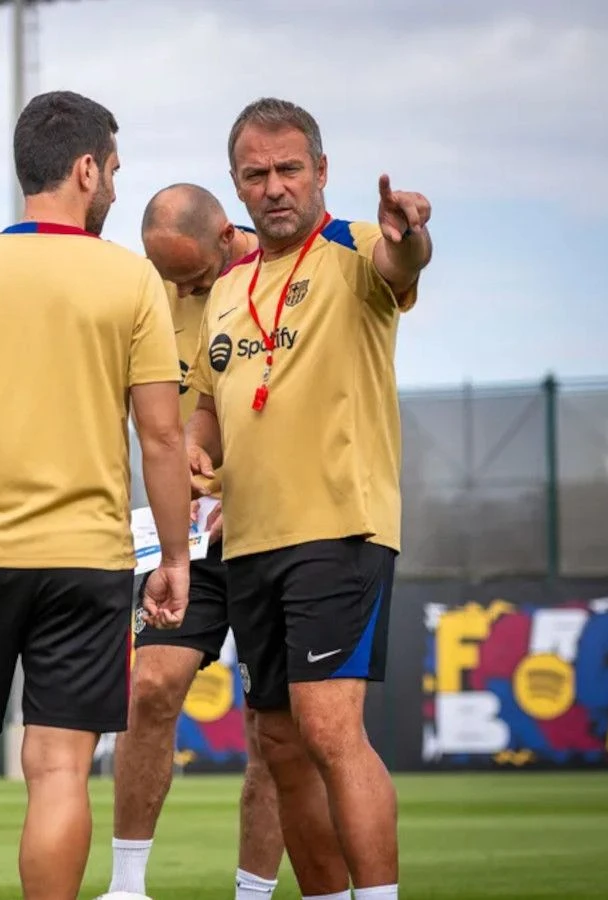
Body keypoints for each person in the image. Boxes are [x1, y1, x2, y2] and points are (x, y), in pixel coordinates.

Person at [0, 90, 195, 900]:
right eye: (115, 171)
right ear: (86, 169)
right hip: (87, 563)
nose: (117, 187)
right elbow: (162, 439)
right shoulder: (131, 281)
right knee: (59, 768)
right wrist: (173, 557)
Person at [185, 97, 432, 900]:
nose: (274, 187)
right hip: (248, 542)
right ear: (236, 185)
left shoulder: (357, 247)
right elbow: (209, 404)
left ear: (322, 171)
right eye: (255, 174)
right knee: (282, 745)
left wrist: (410, 234)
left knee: (329, 729)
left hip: (339, 529)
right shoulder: (228, 288)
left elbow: (404, 264)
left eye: (290, 168)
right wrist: (193, 449)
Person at [103, 183, 298, 900]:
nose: (181, 291)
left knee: (271, 726)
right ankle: (127, 886)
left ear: (226, 234)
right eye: (169, 276)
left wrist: (249, 484)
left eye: (191, 276)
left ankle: (253, 894)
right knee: (151, 686)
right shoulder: (148, 293)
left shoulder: (288, 281)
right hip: (184, 535)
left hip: (277, 528)